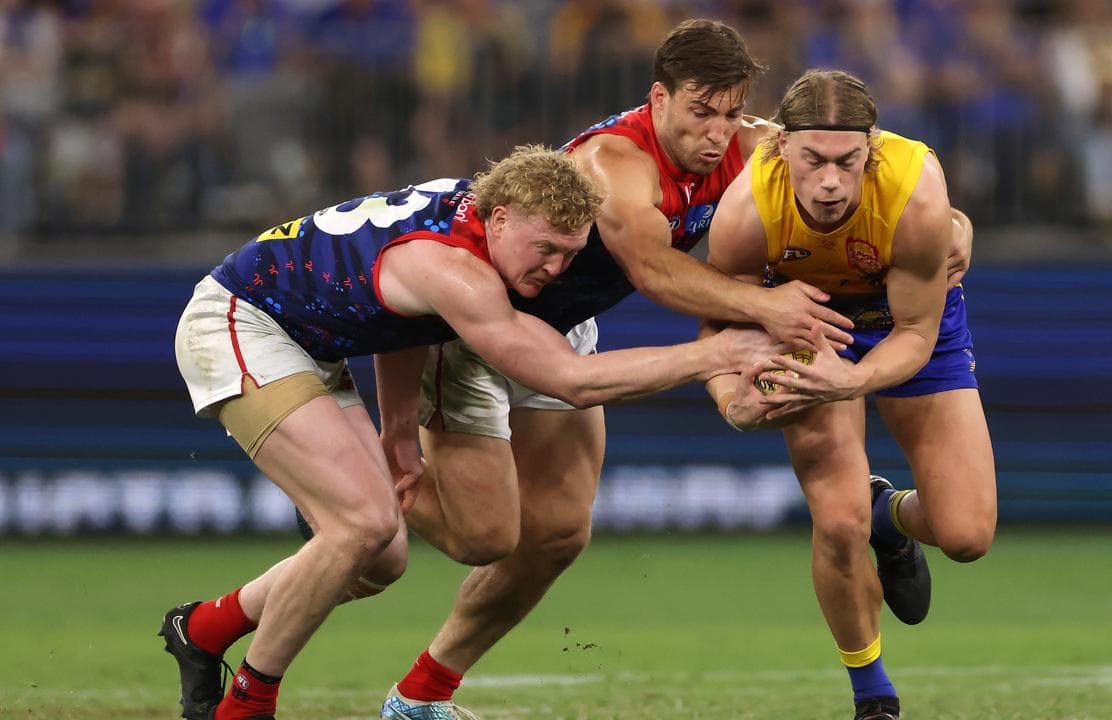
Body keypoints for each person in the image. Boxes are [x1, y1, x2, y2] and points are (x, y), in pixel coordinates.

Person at [376, 21, 974, 720]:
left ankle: (422, 695)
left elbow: (871, 170)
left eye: (729, 112)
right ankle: (372, 492)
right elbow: (656, 272)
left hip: (561, 329)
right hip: (476, 318)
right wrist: (764, 310)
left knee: (561, 533)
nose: (716, 133)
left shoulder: (756, 144)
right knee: (486, 537)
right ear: (659, 99)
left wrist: (951, 224)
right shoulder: (613, 163)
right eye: (699, 111)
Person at [157, 144, 770, 720]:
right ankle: (248, 705)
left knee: (381, 559)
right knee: (365, 526)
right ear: (499, 219)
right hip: (241, 322)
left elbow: (397, 317)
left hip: (312, 343)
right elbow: (570, 381)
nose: (556, 269)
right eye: (546, 248)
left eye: (569, 254)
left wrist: (398, 432)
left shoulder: (470, 217)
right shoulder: (457, 270)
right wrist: (712, 356)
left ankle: (204, 629)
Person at [702, 70, 998, 720]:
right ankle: (874, 698)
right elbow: (720, 317)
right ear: (783, 148)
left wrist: (853, 380)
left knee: (968, 534)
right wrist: (731, 399)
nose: (830, 181)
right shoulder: (748, 208)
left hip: (908, 325)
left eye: (847, 161)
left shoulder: (916, 193)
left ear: (873, 148)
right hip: (806, 322)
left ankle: (889, 515)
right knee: (838, 524)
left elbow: (917, 335)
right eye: (813, 160)